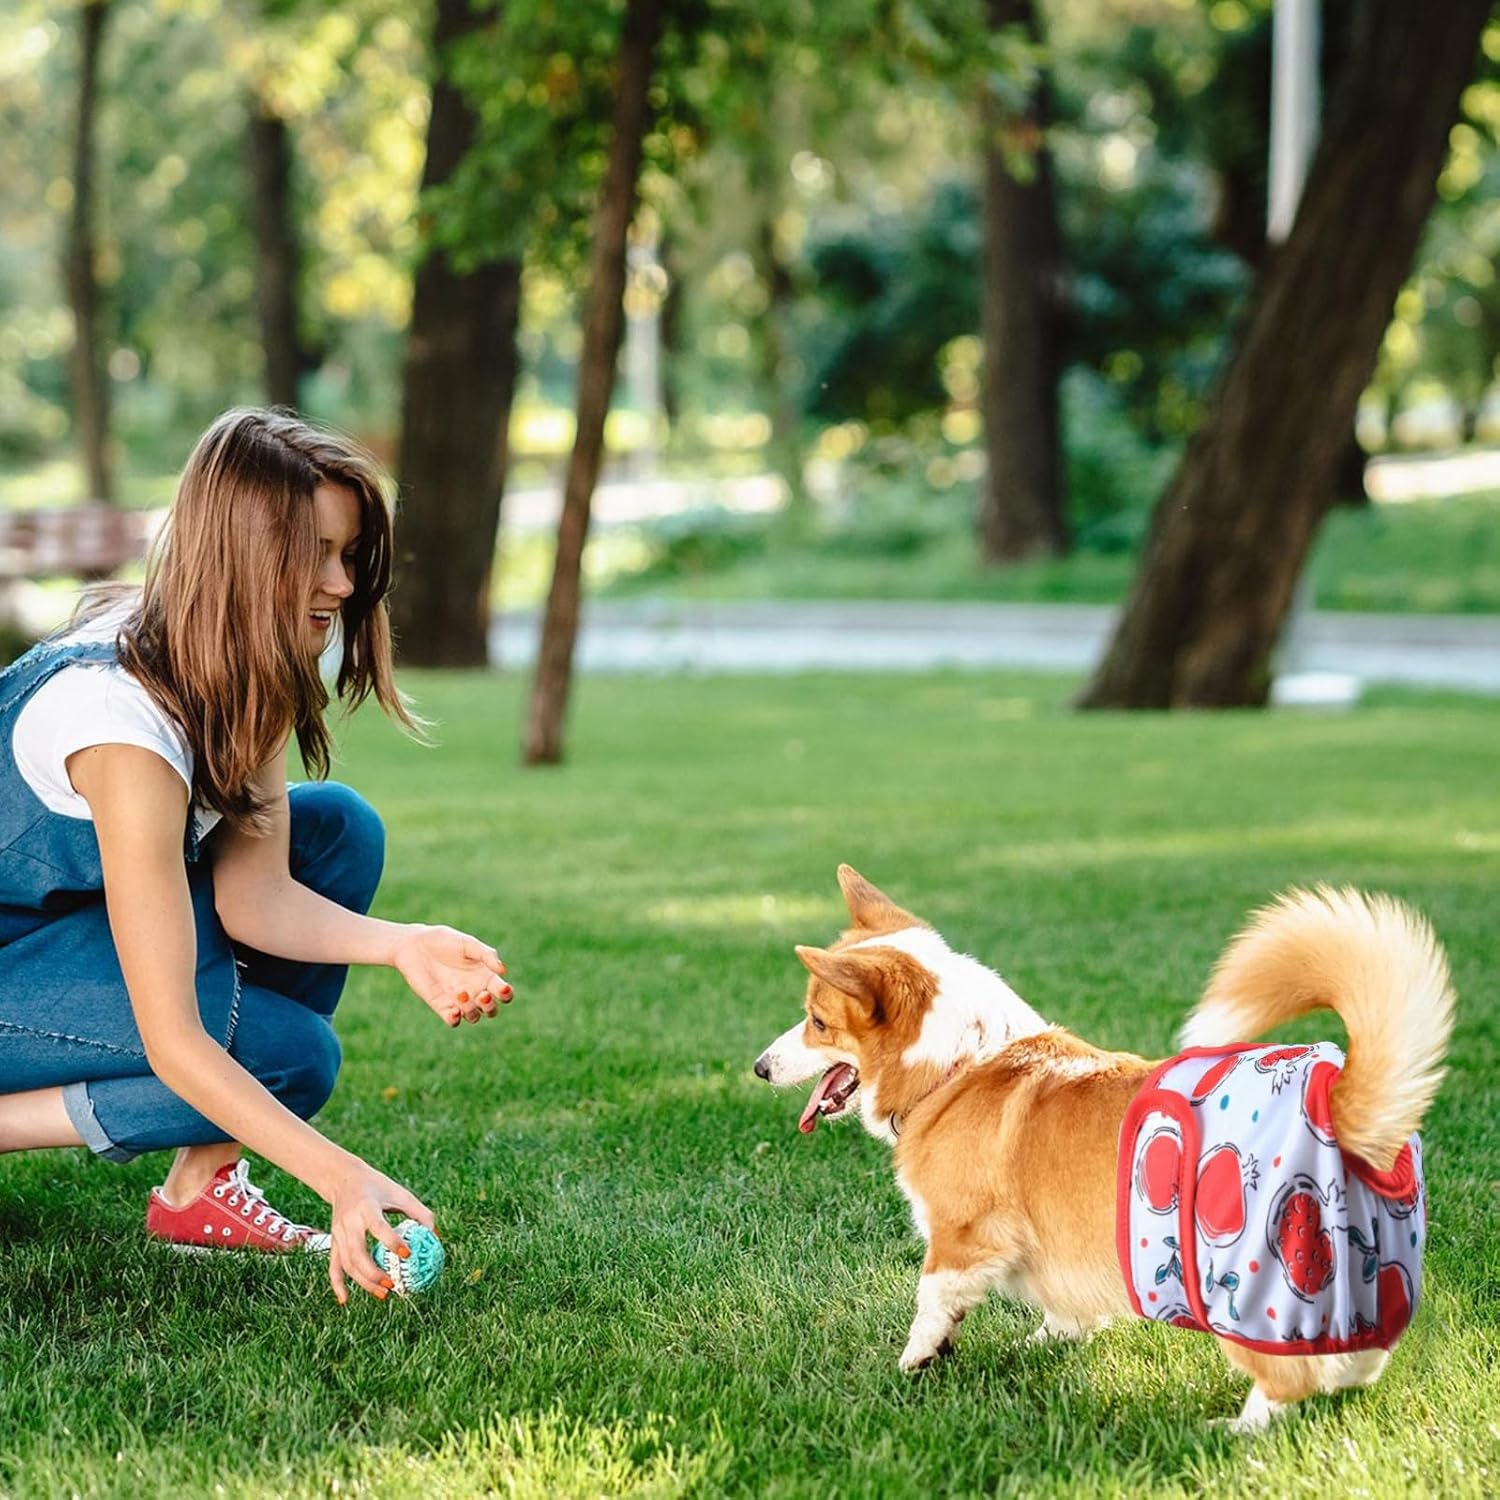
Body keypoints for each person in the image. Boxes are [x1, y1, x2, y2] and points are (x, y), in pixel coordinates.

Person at [0, 408, 510, 1304]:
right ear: (241, 556)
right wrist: (340, 1176)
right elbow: (173, 1040)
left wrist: (401, 942)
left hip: (42, 937)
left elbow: (257, 899)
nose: (343, 584)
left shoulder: (248, 666)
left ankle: (202, 1193)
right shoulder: (119, 730)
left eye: (349, 555)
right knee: (288, 1057)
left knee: (338, 829)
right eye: (316, 552)